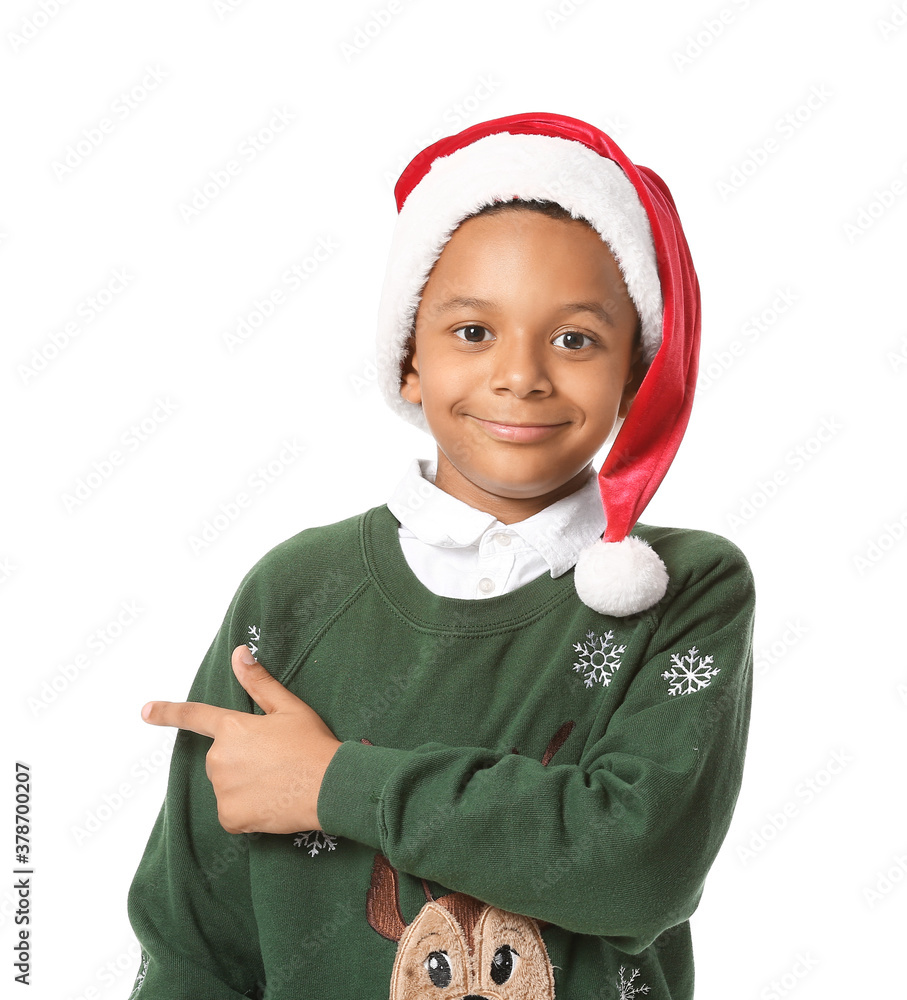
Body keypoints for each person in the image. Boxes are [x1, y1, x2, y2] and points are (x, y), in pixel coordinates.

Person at [126, 112, 755, 1000]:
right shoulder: (297, 591)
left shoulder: (684, 589)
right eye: (472, 332)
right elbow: (197, 932)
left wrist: (330, 781)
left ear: (632, 374)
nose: (521, 375)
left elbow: (636, 865)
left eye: (574, 338)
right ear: (407, 361)